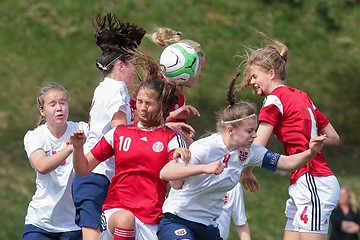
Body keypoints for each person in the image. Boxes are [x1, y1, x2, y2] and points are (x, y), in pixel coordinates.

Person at [156, 71, 328, 240]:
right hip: (178, 220)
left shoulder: (249, 152)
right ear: (230, 130)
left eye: (254, 130)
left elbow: (288, 162)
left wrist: (311, 152)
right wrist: (204, 168)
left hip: (208, 226)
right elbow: (166, 173)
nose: (255, 135)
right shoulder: (206, 147)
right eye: (249, 131)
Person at [70, 52, 190, 240]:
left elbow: (176, 184)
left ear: (161, 106)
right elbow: (83, 169)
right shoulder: (119, 133)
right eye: (139, 102)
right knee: (126, 219)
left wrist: (182, 160)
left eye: (149, 103)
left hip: (151, 219)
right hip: (115, 212)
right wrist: (78, 149)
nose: (142, 108)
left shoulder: (171, 138)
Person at [237, 30, 341, 240]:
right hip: (303, 179)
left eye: (255, 76)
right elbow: (333, 137)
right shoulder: (303, 96)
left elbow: (258, 145)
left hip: (313, 178)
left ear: (272, 73)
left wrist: (247, 170)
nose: (252, 82)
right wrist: (312, 144)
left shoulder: (274, 100)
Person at [71, 12, 146, 240]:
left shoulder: (106, 87)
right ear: (120, 66)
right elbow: (121, 132)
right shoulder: (116, 89)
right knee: (93, 234)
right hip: (97, 173)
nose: (136, 69)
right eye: (133, 63)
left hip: (100, 172)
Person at [22, 83, 86, 240]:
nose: (59, 108)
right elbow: (42, 166)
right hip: (40, 223)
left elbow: (87, 167)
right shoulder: (34, 136)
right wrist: (72, 148)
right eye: (53, 104)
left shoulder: (82, 129)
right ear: (42, 111)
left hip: (74, 224)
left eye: (63, 102)